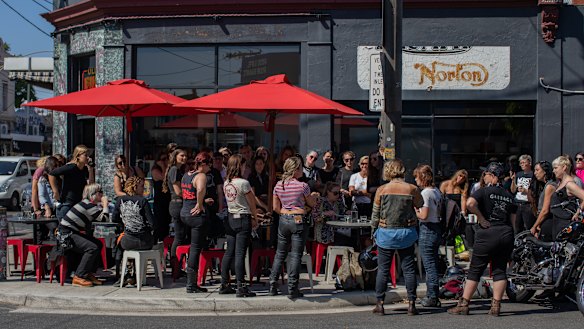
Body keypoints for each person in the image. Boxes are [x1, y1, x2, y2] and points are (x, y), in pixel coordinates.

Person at [448, 162, 516, 316]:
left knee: (475, 269)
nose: (483, 176)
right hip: (505, 233)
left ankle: (464, 304)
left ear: (492, 176)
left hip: (488, 233)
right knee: (499, 270)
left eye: (485, 173)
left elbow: (470, 203)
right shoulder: (508, 195)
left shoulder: (484, 191)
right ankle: (496, 306)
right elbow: (513, 220)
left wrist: (481, 218)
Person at [371, 159, 422, 316]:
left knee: (383, 270)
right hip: (406, 232)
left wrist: (373, 231)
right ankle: (412, 303)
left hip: (386, 233)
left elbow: (375, 214)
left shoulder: (381, 189)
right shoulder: (412, 189)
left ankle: (379, 304)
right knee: (408, 269)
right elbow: (420, 204)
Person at [269, 156, 316, 298]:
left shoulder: (278, 185)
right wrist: (314, 197)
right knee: (296, 255)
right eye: (300, 167)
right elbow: (312, 204)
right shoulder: (303, 186)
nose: (302, 170)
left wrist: (286, 211)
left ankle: (272, 284)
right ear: (295, 170)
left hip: (283, 219)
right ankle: (292, 288)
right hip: (298, 218)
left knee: (280, 253)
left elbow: (276, 208)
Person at [220, 154, 259, 297]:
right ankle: (241, 286)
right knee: (240, 253)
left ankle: (224, 283)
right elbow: (252, 202)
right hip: (243, 217)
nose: (245, 168)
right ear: (239, 166)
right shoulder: (243, 183)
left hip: (230, 217)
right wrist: (255, 217)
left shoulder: (226, 182)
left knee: (229, 251)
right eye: (243, 165)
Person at [58, 183, 109, 287]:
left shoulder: (88, 204)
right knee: (92, 247)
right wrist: (105, 205)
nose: (102, 195)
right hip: (67, 235)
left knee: (98, 244)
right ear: (93, 194)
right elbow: (105, 219)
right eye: (100, 193)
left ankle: (87, 273)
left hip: (71, 232)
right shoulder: (88, 205)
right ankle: (79, 276)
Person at [180, 152, 212, 293]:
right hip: (196, 216)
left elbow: (187, 193)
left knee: (192, 246)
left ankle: (190, 281)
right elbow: (200, 189)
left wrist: (197, 201)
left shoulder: (187, 174)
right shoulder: (201, 176)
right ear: (203, 164)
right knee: (195, 249)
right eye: (209, 164)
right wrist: (199, 204)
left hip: (185, 212)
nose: (210, 167)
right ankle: (191, 284)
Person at [413, 164, 442, 308]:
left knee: (429, 266)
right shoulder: (436, 191)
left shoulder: (425, 193)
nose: (415, 180)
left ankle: (432, 296)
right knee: (433, 264)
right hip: (436, 228)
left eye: (417, 177)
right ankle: (434, 295)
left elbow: (423, 215)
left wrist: (415, 210)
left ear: (423, 178)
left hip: (427, 229)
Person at [50, 145, 95, 220]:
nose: (88, 158)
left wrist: (90, 169)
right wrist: (55, 191)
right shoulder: (71, 167)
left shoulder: (84, 169)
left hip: (78, 203)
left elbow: (91, 185)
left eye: (89, 155)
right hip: (67, 204)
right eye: (85, 155)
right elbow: (52, 174)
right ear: (78, 156)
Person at [113, 176, 156, 251]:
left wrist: (126, 224)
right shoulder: (143, 201)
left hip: (127, 242)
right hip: (144, 242)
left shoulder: (119, 200)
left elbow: (114, 219)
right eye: (142, 186)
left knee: (118, 243)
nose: (144, 189)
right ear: (134, 187)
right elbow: (152, 223)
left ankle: (118, 262)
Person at [163, 149, 187, 280]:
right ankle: (175, 268)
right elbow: (178, 191)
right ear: (175, 156)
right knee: (178, 237)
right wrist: (191, 197)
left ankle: (178, 268)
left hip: (178, 204)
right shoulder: (174, 170)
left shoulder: (177, 170)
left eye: (185, 156)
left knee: (181, 237)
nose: (184, 157)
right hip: (177, 204)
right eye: (182, 155)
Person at [548, 155, 584, 240]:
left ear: (564, 167)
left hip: (565, 224)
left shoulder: (570, 184)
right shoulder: (560, 183)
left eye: (556, 168)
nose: (553, 171)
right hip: (557, 222)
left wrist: (578, 212)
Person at [510, 154, 534, 234]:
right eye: (521, 163)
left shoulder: (533, 175)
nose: (522, 165)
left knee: (528, 227)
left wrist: (526, 191)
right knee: (517, 227)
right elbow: (513, 190)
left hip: (527, 204)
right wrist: (513, 180)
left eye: (524, 162)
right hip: (517, 203)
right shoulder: (518, 174)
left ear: (529, 163)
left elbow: (535, 191)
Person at [150, 152, 171, 242]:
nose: (165, 161)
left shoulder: (168, 169)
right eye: (162, 159)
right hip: (160, 201)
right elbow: (164, 178)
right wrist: (163, 166)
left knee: (166, 223)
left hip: (168, 199)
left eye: (166, 159)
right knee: (160, 224)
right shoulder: (155, 170)